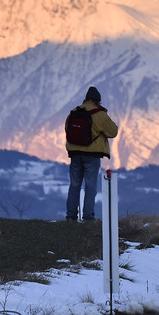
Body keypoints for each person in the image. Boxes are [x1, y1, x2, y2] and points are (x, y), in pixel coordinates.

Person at [65, 86, 119, 221]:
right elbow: (113, 132)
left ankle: (71, 216)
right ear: (97, 101)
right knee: (90, 187)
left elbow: (67, 128)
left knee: (74, 185)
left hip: (75, 154)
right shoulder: (99, 114)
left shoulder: (74, 112)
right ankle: (88, 216)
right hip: (91, 155)